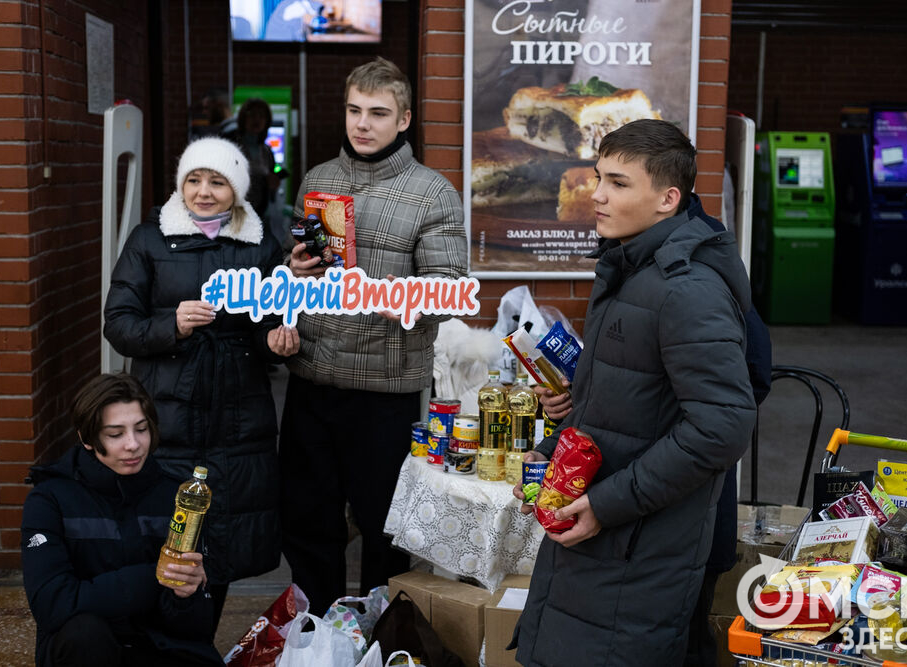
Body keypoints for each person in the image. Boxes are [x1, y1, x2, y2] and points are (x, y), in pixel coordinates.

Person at [511, 119, 757, 666]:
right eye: (599, 177)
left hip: (639, 548)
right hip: (601, 536)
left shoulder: (686, 290)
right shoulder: (627, 267)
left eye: (618, 183)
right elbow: (620, 405)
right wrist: (552, 452)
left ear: (668, 199)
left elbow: (721, 426)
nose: (595, 194)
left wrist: (605, 502)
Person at [280, 56, 468, 615]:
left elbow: (448, 289)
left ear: (404, 119)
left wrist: (382, 292)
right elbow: (298, 270)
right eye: (354, 110)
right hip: (312, 380)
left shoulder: (433, 192)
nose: (363, 124)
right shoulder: (318, 179)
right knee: (308, 522)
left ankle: (382, 636)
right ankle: (316, 633)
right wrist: (294, 271)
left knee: (386, 529)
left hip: (383, 390)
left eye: (378, 113)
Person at [104, 137, 299, 632]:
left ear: (236, 190)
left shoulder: (259, 245)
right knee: (166, 537)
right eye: (194, 180)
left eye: (217, 182)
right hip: (168, 414)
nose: (204, 192)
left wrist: (277, 338)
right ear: (180, 184)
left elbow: (270, 318)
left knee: (226, 538)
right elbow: (119, 324)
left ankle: (198, 643)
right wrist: (172, 324)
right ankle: (165, 646)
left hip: (238, 414)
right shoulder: (149, 240)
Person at [21, 373, 223, 667]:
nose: (133, 445)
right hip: (88, 648)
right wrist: (155, 576)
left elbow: (196, 628)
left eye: (141, 429)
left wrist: (186, 596)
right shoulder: (49, 499)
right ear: (86, 438)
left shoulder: (179, 497)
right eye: (115, 434)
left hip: (160, 645)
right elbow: (54, 605)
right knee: (85, 633)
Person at [229, 98, 280, 223]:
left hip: (259, 213)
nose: (257, 119)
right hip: (234, 212)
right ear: (243, 119)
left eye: (261, 116)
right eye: (252, 115)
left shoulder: (266, 151)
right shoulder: (233, 146)